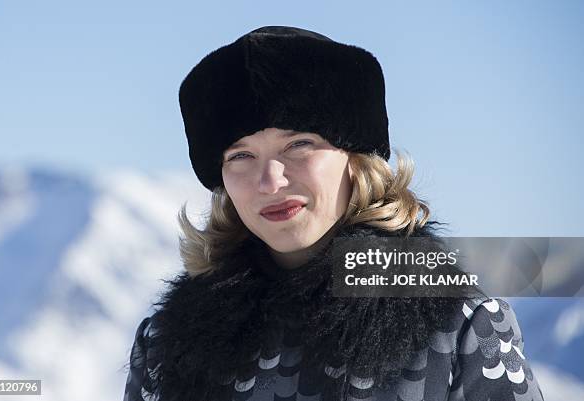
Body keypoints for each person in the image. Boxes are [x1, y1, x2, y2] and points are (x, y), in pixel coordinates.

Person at [122, 26, 544, 401]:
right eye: (242, 155)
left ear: (357, 159)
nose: (269, 181)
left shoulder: (463, 324)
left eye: (299, 144)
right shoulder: (166, 343)